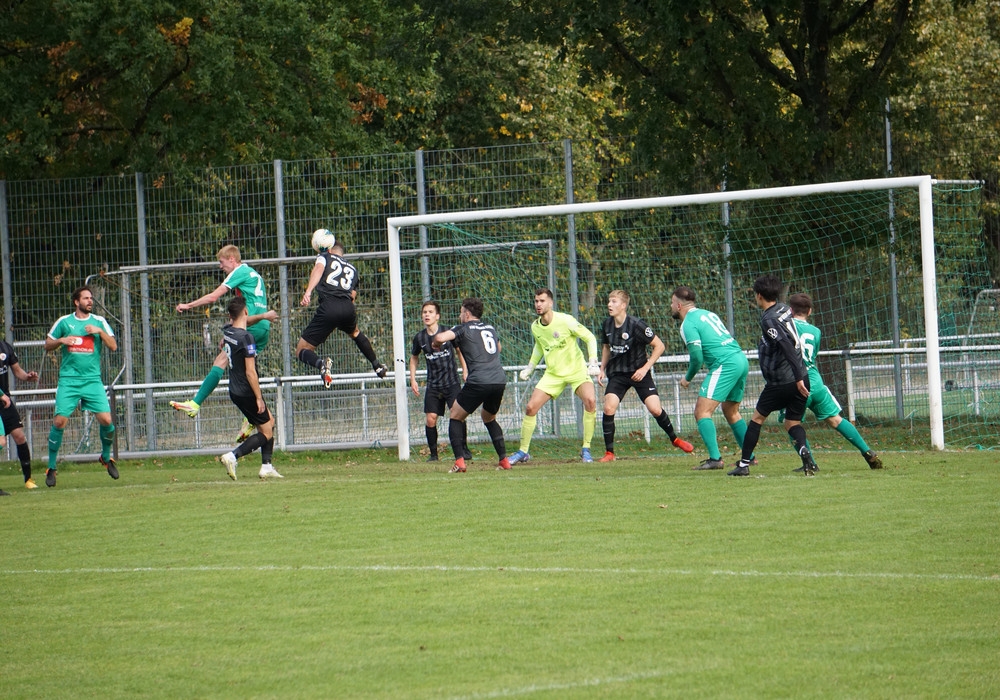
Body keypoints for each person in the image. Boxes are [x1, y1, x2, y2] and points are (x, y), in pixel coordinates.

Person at [170, 245, 278, 445]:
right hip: (261, 328)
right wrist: (231, 332)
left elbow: (213, 297)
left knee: (222, 361)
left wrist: (187, 305)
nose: (221, 267)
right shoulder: (252, 274)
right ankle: (250, 418)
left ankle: (195, 403)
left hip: (251, 323)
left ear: (231, 259)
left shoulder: (239, 271)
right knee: (247, 368)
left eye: (221, 262)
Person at [729, 275, 817, 477]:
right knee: (792, 423)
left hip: (783, 381)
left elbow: (785, 344)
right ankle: (806, 454)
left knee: (757, 419)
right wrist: (800, 377)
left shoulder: (768, 319)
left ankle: (744, 464)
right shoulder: (785, 308)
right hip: (803, 376)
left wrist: (796, 377)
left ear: (759, 296)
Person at [784, 293, 883, 470]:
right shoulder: (816, 331)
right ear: (810, 311)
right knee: (835, 419)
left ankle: (810, 463)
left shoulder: (786, 327)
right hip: (816, 380)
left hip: (797, 381)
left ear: (790, 310)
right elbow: (812, 356)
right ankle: (867, 452)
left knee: (791, 423)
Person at [596, 290, 694, 461]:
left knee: (655, 409)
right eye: (609, 301)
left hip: (640, 372)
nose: (609, 305)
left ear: (623, 305)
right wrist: (602, 368)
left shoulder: (637, 325)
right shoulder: (606, 325)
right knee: (608, 407)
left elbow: (660, 346)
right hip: (618, 373)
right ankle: (609, 453)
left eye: (613, 301)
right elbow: (606, 347)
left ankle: (675, 439)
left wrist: (644, 368)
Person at [510, 288, 600, 464]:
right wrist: (530, 368)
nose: (538, 304)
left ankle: (586, 449)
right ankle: (523, 452)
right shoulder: (535, 327)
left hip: (576, 371)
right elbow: (539, 346)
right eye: (536, 301)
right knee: (530, 408)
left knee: (590, 401)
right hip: (553, 374)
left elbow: (590, 338)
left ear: (550, 303)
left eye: (542, 301)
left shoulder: (566, 321)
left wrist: (593, 362)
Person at [671, 286, 755, 470]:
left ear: (678, 305)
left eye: (671, 302)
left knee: (702, 411)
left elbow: (697, 357)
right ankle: (750, 456)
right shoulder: (708, 314)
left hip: (725, 364)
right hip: (740, 359)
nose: (670, 306)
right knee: (730, 410)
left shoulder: (687, 324)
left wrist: (687, 378)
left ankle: (715, 459)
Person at [43, 286, 120, 487]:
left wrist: (99, 332)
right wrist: (61, 340)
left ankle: (105, 457)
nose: (90, 301)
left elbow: (113, 346)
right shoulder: (65, 322)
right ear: (76, 302)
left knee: (106, 420)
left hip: (92, 380)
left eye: (91, 298)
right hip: (68, 381)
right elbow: (47, 344)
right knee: (59, 422)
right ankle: (51, 467)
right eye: (86, 298)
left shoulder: (98, 322)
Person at [430, 297, 510, 473]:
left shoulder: (462, 328)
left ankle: (460, 462)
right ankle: (504, 460)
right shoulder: (490, 327)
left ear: (466, 313)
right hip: (498, 379)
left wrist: (436, 343)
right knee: (489, 418)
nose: (460, 315)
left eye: (461, 312)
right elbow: (498, 347)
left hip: (479, 380)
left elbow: (441, 336)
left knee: (455, 415)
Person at [295, 240, 388, 386]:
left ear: (329, 249)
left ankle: (322, 365)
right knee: (355, 333)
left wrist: (308, 291)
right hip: (347, 308)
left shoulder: (324, 256)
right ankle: (377, 365)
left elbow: (318, 269)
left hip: (329, 307)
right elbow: (352, 296)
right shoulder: (353, 269)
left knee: (302, 349)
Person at [217, 297, 282, 480]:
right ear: (245, 311)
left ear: (230, 316)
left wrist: (263, 316)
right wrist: (259, 397)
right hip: (247, 391)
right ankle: (232, 456)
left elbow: (243, 321)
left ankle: (266, 466)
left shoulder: (228, 331)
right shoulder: (247, 338)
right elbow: (251, 372)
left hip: (235, 390)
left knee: (270, 420)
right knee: (267, 431)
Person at [409, 301, 471, 462]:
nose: (427, 315)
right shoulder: (420, 337)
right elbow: (414, 358)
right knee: (430, 418)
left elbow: (459, 351)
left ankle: (464, 449)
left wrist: (465, 370)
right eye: (424, 312)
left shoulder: (447, 333)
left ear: (437, 316)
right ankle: (434, 454)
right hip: (434, 385)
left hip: (451, 383)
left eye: (430, 312)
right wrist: (413, 379)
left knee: (458, 415)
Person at [0, 338, 40, 488]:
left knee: (19, 436)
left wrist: (27, 377)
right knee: (1, 441)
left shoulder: (5, 347)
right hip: (2, 398)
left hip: (5, 402)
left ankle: (28, 479)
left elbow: (17, 371)